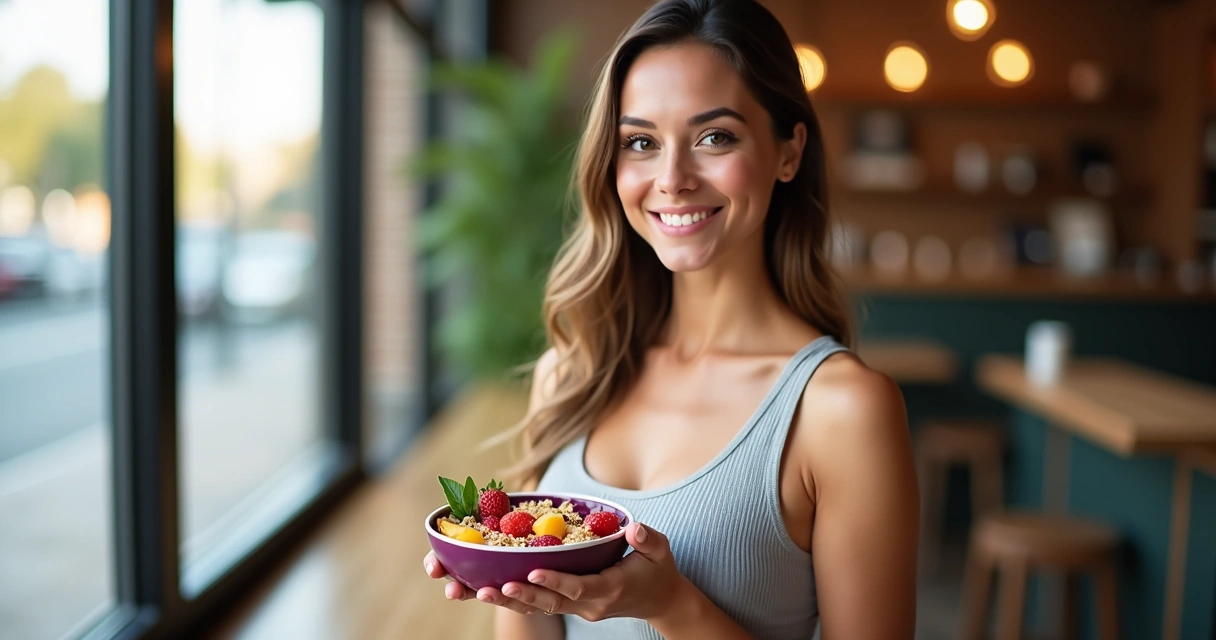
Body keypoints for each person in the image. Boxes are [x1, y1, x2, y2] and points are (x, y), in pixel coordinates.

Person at [423, 0, 919, 637]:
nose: (673, 178)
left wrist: (671, 605)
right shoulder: (572, 373)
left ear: (788, 152)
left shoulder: (842, 410)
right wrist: (500, 573)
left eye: (715, 137)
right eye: (641, 142)